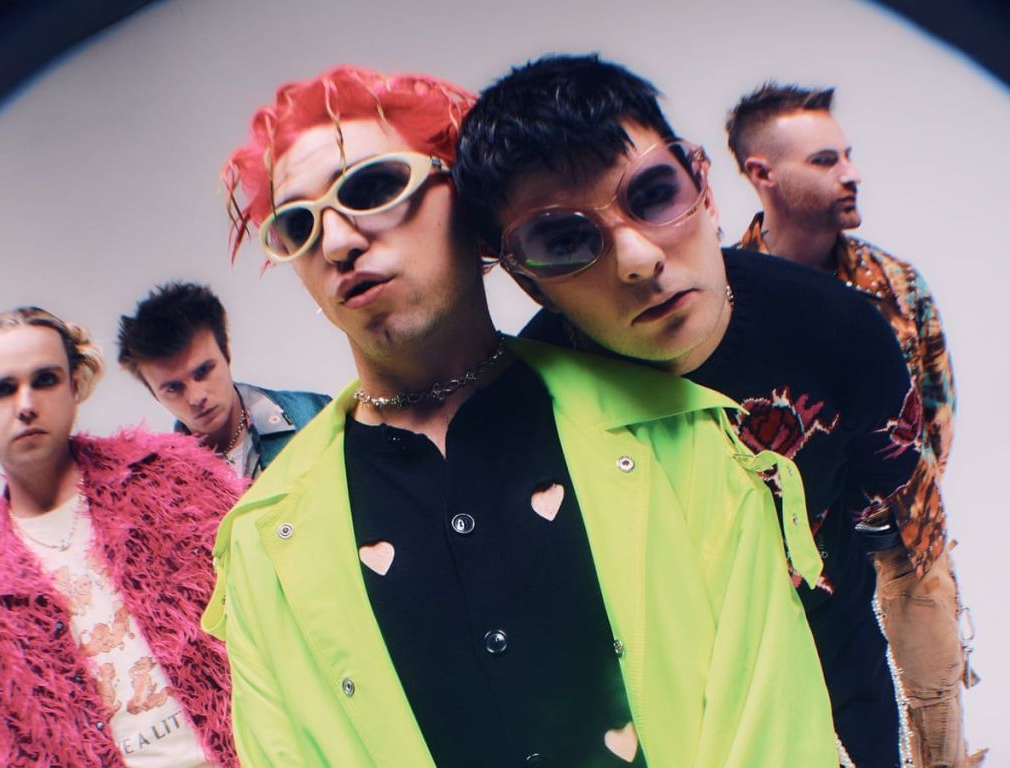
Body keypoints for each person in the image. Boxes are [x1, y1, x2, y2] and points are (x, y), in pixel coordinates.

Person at [201, 64, 836, 767]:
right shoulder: (264, 546)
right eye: (296, 225)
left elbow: (775, 734)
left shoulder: (683, 437)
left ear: (473, 214)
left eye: (374, 188)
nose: (338, 242)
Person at [454, 53, 935, 768]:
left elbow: (892, 517)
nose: (638, 258)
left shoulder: (844, 332)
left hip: (838, 689)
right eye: (565, 240)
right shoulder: (513, 421)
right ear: (527, 279)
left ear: (704, 186)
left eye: (654, 194)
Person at [726, 82, 980, 767]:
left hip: (907, 535)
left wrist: (901, 499)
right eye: (825, 160)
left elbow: (936, 408)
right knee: (823, 716)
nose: (852, 173)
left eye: (848, 155)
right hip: (792, 561)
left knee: (936, 688)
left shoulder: (897, 282)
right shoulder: (724, 299)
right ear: (762, 174)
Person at [0, 306, 244, 766]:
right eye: (1, 390)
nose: (25, 404)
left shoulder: (173, 476)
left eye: (44, 380)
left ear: (74, 387)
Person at [117, 282, 330, 478]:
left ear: (226, 354)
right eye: (173, 388)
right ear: (155, 395)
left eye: (203, 371)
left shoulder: (316, 415)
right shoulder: (163, 485)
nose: (196, 397)